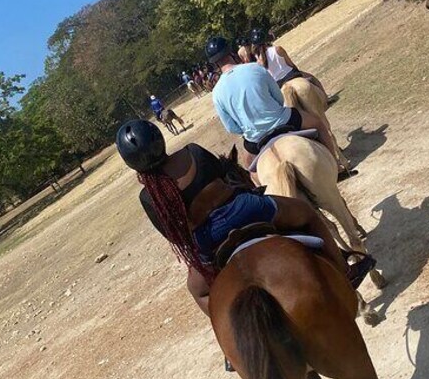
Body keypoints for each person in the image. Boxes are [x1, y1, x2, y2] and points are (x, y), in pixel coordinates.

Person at [116, 119, 362, 317]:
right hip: (245, 209)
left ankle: (230, 341)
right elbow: (227, 176)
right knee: (307, 213)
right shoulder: (192, 152)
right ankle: (346, 273)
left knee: (198, 290)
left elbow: (176, 237)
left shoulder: (149, 197)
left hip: (208, 239)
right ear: (158, 139)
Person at [206, 35, 340, 168]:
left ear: (214, 63)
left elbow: (231, 128)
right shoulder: (254, 67)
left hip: (255, 138)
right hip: (283, 120)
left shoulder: (216, 93)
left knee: (249, 168)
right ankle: (337, 167)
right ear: (230, 52)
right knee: (319, 124)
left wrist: (249, 128)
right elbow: (279, 98)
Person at [248, 28, 327, 93]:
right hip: (291, 74)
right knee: (312, 78)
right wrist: (298, 72)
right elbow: (291, 64)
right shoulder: (277, 49)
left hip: (278, 84)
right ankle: (327, 98)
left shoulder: (258, 62)